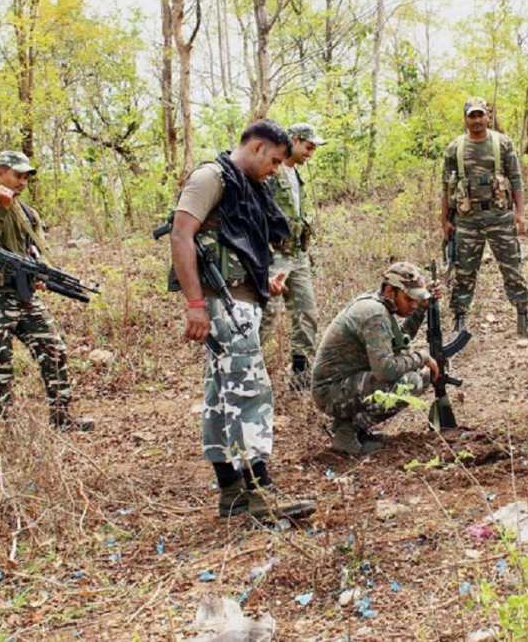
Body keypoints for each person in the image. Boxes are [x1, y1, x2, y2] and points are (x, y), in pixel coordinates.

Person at [170, 119, 316, 521]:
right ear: (255, 148)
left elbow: (231, 244)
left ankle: (231, 492)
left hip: (239, 298)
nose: (274, 170)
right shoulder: (210, 177)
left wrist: (261, 279)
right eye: (273, 161)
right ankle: (261, 494)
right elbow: (182, 236)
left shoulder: (245, 186)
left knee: (221, 396)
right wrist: (195, 303)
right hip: (223, 305)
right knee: (250, 393)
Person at [0, 151, 93, 432]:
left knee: (54, 350)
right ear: (0, 173)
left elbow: (34, 251)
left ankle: (62, 418)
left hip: (24, 296)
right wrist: (0, 208)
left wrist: (38, 274)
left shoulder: (27, 213)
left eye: (26, 176)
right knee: (0, 361)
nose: (22, 181)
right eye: (17, 175)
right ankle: (10, 428)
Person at [311, 262, 439, 456]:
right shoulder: (374, 314)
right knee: (410, 383)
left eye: (416, 300)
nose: (413, 304)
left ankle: (353, 429)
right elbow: (386, 370)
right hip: (330, 391)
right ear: (390, 290)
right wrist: (421, 357)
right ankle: (347, 433)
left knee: (417, 376)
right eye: (409, 299)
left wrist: (421, 310)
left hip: (341, 385)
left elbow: (399, 341)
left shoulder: (378, 306)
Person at [441, 97, 528, 338]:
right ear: (465, 119)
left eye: (480, 115)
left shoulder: (502, 144)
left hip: (500, 217)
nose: (476, 120)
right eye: (471, 116)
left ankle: (524, 316)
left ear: (488, 116)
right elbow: (446, 188)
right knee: (463, 272)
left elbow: (516, 179)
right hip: (467, 220)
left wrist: (520, 214)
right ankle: (459, 320)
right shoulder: (455, 148)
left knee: (512, 268)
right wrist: (445, 221)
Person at [260, 122, 325, 391]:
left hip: (297, 255)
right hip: (274, 256)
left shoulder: (297, 175)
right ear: (295, 141)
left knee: (306, 313)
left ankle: (300, 375)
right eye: (308, 146)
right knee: (267, 317)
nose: (311, 153)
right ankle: (246, 371)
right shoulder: (271, 173)